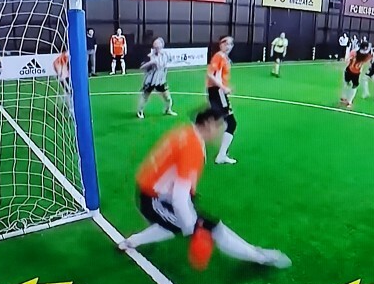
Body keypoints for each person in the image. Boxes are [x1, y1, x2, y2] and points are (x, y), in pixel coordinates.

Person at [117, 107, 291, 269]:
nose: (219, 132)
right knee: (212, 227)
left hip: (156, 193)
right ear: (208, 123)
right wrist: (193, 227)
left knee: (174, 225)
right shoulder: (192, 146)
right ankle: (260, 257)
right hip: (155, 199)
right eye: (218, 126)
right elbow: (179, 196)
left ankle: (131, 242)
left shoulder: (186, 132)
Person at [206, 35, 237, 165]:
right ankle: (221, 156)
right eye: (225, 43)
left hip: (218, 92)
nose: (228, 46)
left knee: (222, 120)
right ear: (220, 44)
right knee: (231, 123)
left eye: (230, 44)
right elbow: (210, 74)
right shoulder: (218, 56)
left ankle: (222, 153)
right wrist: (223, 88)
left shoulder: (224, 57)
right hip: (217, 91)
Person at [137, 37, 177, 119]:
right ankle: (140, 111)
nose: (157, 45)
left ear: (162, 45)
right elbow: (141, 67)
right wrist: (150, 63)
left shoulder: (166, 54)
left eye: (158, 43)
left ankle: (168, 110)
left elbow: (166, 63)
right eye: (155, 44)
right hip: (150, 80)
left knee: (168, 98)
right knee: (145, 97)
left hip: (161, 80)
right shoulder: (149, 56)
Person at [339, 41, 372, 110]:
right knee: (347, 84)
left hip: (356, 72)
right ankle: (345, 98)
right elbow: (348, 60)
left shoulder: (366, 55)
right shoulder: (355, 52)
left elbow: (366, 63)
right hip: (350, 70)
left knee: (353, 85)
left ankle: (349, 101)